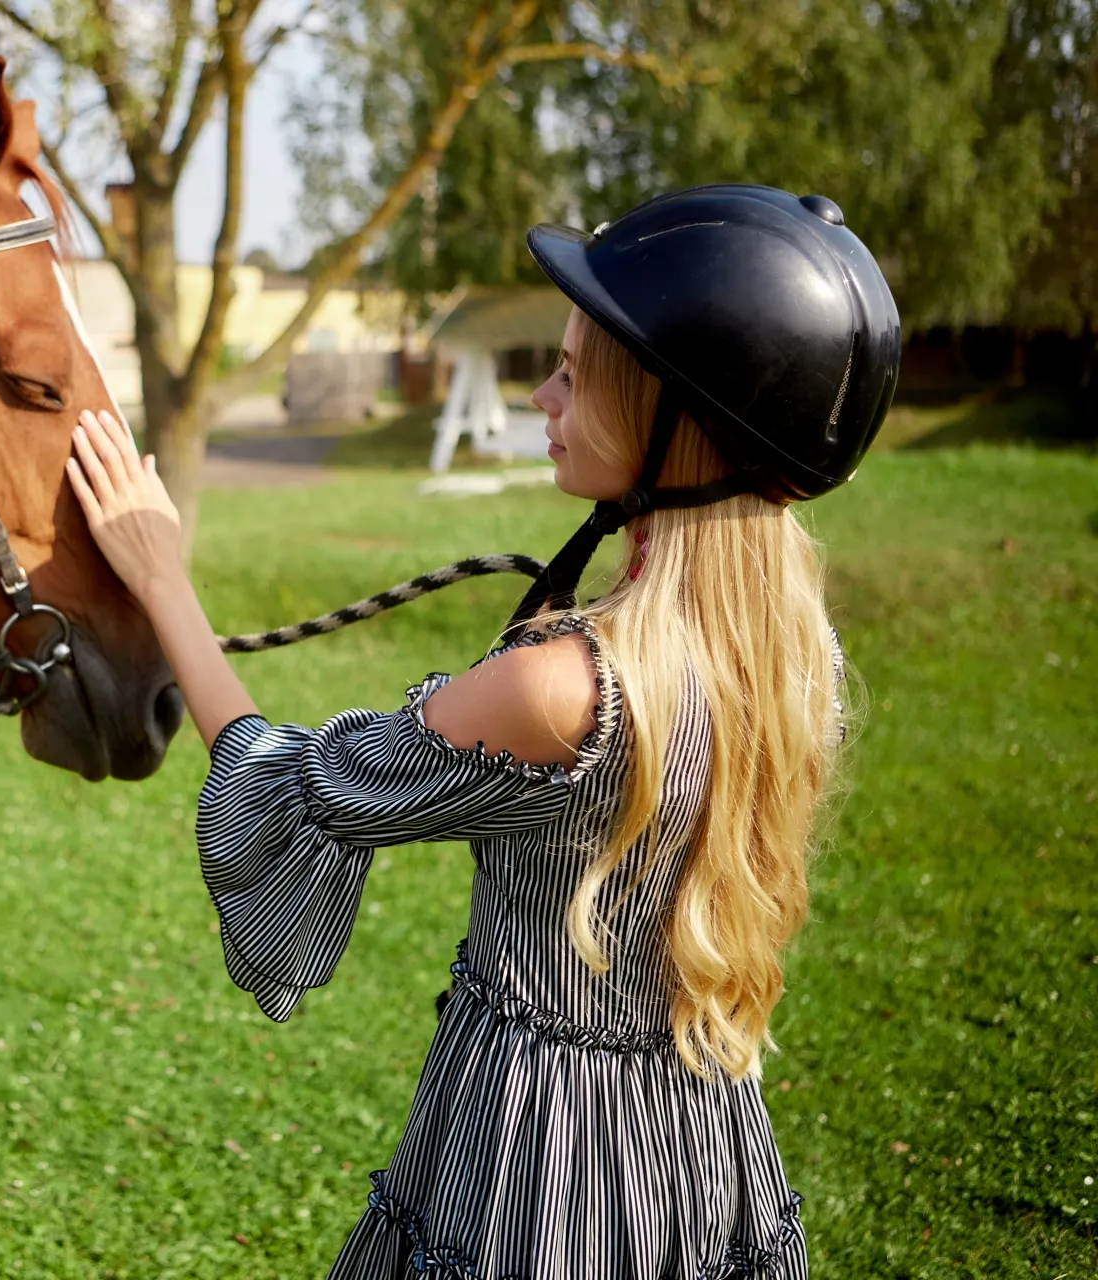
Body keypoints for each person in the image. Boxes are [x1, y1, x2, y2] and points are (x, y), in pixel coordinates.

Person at [64, 185, 900, 1278]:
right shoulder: (794, 656)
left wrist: (161, 578)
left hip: (537, 1164)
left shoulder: (563, 693)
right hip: (703, 1134)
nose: (544, 398)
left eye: (572, 372)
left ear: (667, 415)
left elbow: (290, 791)